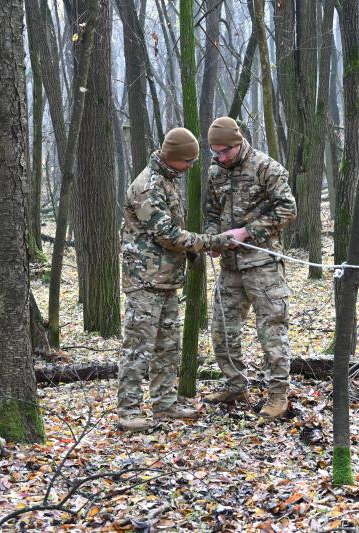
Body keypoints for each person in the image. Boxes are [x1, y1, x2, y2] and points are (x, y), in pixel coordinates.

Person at [118, 127, 236, 432]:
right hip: (144, 281)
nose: (192, 167)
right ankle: (128, 410)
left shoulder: (168, 181)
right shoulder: (147, 187)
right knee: (138, 348)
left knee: (167, 347)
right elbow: (167, 234)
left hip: (166, 280)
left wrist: (193, 252)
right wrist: (209, 242)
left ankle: (165, 403)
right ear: (174, 158)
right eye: (189, 161)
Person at [202, 116, 297, 419]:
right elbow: (211, 212)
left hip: (263, 264)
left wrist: (247, 232)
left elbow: (287, 209)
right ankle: (234, 384)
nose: (220, 157)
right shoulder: (215, 172)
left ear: (238, 142)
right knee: (222, 330)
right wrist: (214, 240)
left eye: (224, 151)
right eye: (214, 152)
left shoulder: (266, 167)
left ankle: (278, 395)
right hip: (230, 267)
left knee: (272, 330)